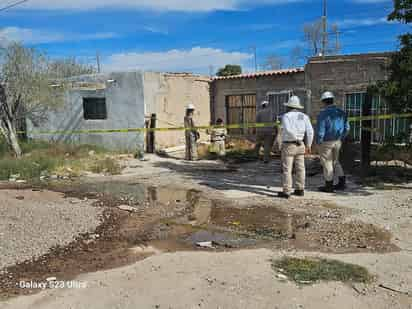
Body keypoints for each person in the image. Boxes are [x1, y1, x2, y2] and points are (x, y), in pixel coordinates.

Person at [278, 96, 314, 199]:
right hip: (301, 145)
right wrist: (309, 145)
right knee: (301, 168)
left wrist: (295, 139)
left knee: (287, 169)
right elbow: (310, 131)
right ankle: (300, 189)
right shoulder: (304, 116)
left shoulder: (286, 116)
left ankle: (287, 191)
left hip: (289, 144)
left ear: (289, 106)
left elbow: (288, 130)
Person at [316, 91, 350, 192]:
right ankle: (342, 183)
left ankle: (329, 186)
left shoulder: (323, 114)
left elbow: (321, 131)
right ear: (332, 100)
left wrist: (318, 141)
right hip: (338, 141)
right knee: (336, 162)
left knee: (327, 163)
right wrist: (341, 137)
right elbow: (347, 128)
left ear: (323, 102)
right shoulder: (342, 112)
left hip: (326, 142)